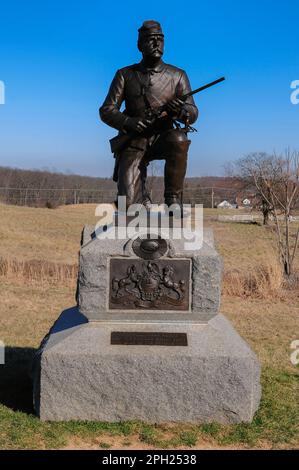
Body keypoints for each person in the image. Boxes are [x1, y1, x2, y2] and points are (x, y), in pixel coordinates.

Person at [99, 20, 198, 209]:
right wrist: (129, 122)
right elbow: (107, 110)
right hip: (134, 140)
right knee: (127, 206)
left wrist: (181, 111)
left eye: (160, 39)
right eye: (150, 40)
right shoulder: (125, 74)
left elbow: (192, 112)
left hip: (164, 138)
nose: (156, 44)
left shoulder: (178, 75)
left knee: (179, 139)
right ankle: (141, 198)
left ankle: (173, 200)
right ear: (139, 45)